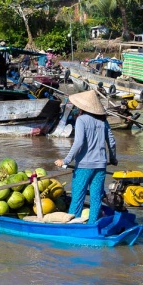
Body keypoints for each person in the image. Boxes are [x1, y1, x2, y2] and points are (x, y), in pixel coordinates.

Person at [55, 90, 117, 224]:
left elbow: (78, 143)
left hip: (84, 166)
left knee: (77, 197)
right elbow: (111, 142)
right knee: (96, 198)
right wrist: (113, 158)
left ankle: (71, 225)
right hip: (100, 166)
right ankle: (93, 224)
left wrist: (65, 160)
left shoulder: (81, 120)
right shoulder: (103, 121)